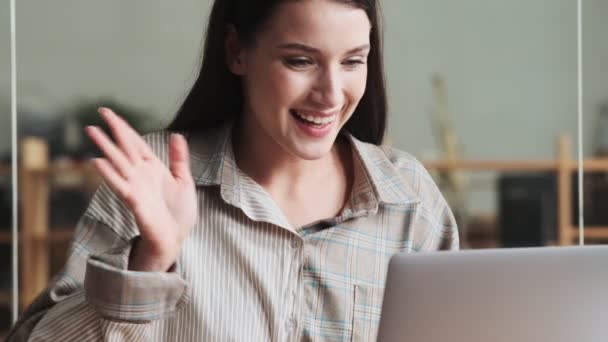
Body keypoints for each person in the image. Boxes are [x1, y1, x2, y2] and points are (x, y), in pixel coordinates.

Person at [7, 0, 458, 340]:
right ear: (236, 51)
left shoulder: (408, 199)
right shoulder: (157, 178)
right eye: (300, 61)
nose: (331, 94)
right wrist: (149, 262)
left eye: (353, 60)